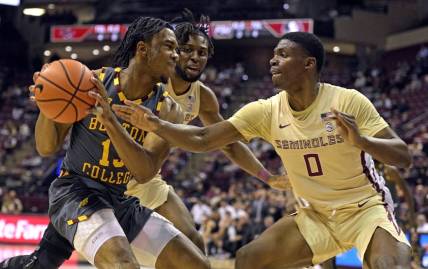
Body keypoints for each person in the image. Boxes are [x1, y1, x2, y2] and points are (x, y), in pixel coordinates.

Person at [113, 31, 412, 269]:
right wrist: (156, 124)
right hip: (315, 215)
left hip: (364, 210)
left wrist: (362, 142)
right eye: (272, 55)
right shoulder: (266, 111)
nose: (272, 61)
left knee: (389, 265)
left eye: (282, 55)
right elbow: (204, 140)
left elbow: (403, 155)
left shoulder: (348, 101)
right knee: (248, 260)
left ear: (308, 64)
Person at [2, 16, 211, 269]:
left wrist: (110, 120)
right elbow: (46, 147)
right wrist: (48, 102)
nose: (177, 55)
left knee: (196, 265)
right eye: (169, 47)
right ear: (142, 49)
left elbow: (144, 172)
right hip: (76, 191)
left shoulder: (168, 110)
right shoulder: (90, 83)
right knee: (123, 264)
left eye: (177, 49)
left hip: (119, 200)